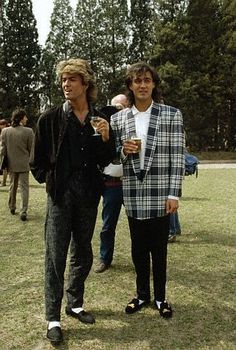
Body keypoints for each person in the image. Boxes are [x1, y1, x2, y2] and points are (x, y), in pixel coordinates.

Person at [30, 58, 115, 344]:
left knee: (83, 252)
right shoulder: (51, 118)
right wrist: (50, 179)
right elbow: (37, 161)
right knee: (55, 256)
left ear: (86, 83)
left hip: (89, 194)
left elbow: (106, 159)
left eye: (72, 79)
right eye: (63, 80)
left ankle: (75, 303)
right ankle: (53, 317)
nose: (66, 84)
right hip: (60, 196)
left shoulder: (100, 116)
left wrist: (105, 138)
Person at [110, 62, 185, 318]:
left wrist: (174, 194)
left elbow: (178, 157)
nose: (142, 85)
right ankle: (142, 295)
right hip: (133, 193)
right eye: (137, 81)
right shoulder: (118, 118)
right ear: (130, 86)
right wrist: (123, 150)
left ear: (154, 84)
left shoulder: (171, 114)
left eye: (147, 80)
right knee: (137, 248)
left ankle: (161, 298)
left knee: (159, 249)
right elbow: (114, 159)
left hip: (161, 193)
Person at [94, 94, 128, 273]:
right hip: (111, 185)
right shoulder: (102, 127)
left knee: (138, 225)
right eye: (114, 107)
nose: (117, 110)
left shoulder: (132, 125)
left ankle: (142, 259)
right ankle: (105, 258)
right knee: (108, 225)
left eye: (121, 107)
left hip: (131, 184)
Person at [0, 110, 34, 220]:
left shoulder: (5, 131)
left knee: (12, 186)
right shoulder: (28, 131)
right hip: (24, 163)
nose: (27, 119)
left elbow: (2, 150)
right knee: (24, 188)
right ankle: (23, 211)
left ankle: (12, 206)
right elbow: (31, 149)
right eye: (25, 117)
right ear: (21, 118)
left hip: (10, 162)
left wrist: (4, 162)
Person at [0, 119, 9, 186]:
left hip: (5, 152)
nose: (1, 126)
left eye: (2, 124)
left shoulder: (7, 132)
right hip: (1, 150)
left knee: (4, 167)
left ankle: (4, 182)